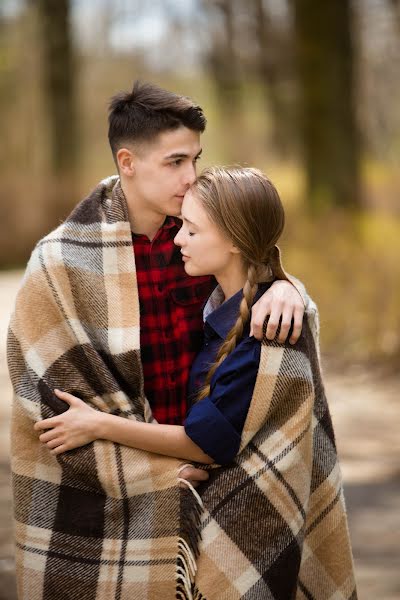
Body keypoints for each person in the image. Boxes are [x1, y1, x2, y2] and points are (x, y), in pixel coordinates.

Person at [7, 83, 307, 600]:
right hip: (115, 495)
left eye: (195, 159)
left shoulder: (200, 237)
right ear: (128, 161)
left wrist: (289, 287)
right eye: (175, 162)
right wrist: (161, 471)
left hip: (218, 479)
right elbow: (53, 409)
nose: (191, 177)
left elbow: (253, 269)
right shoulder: (60, 261)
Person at [34, 166, 357, 599]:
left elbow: (206, 443)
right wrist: (289, 284)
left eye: (191, 229)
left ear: (234, 242)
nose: (178, 239)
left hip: (249, 530)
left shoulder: (263, 332)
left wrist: (96, 424)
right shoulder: (219, 300)